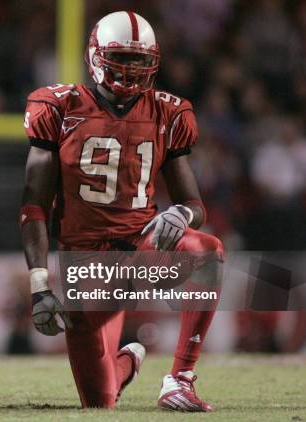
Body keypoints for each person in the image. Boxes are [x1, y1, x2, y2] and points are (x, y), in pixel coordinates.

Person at [20, 11, 223, 412]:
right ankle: (128, 361)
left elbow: (194, 204)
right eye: (122, 57)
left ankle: (179, 378)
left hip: (141, 244)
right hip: (87, 261)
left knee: (206, 251)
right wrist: (40, 285)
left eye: (138, 59)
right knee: (99, 403)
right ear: (95, 55)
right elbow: (34, 205)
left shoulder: (168, 112)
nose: (130, 69)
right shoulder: (59, 106)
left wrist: (181, 215)